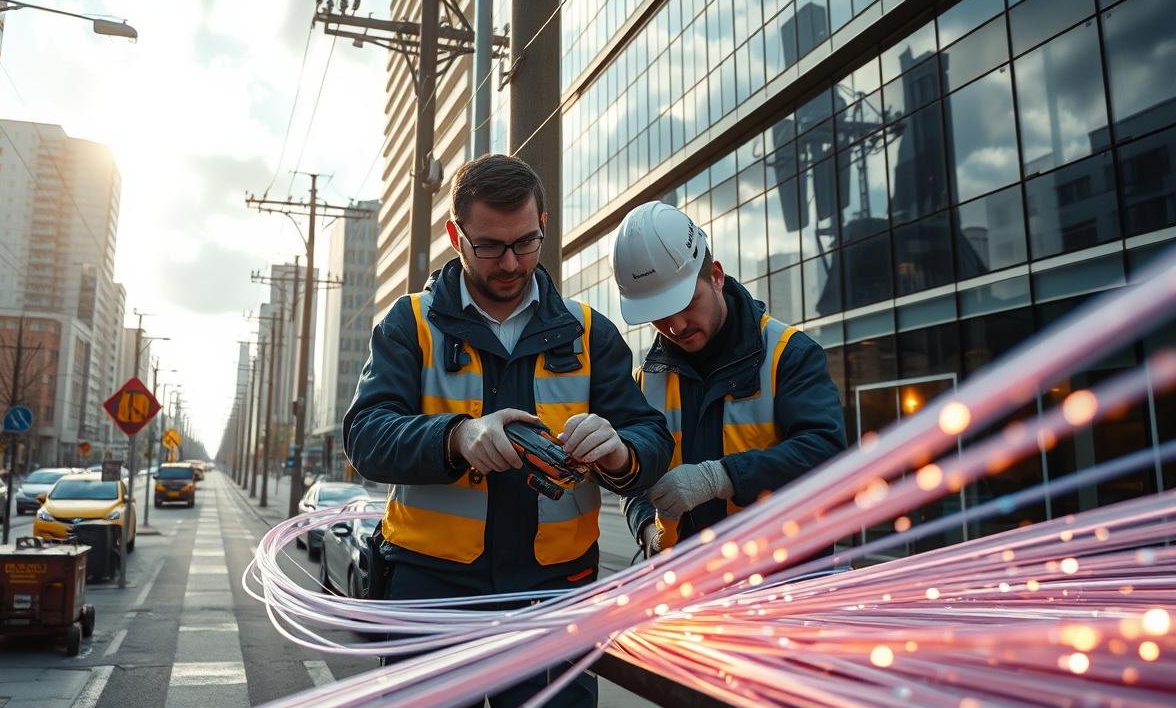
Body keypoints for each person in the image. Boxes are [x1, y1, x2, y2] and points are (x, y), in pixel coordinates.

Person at [344, 154, 673, 707]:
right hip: (434, 596)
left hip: (555, 597)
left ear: (544, 223)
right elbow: (365, 436)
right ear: (456, 235)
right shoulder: (410, 323)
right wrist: (457, 438)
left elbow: (652, 438)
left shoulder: (591, 334)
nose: (512, 263)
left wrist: (620, 452)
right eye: (490, 246)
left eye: (526, 242)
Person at [612, 201, 846, 557]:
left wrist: (722, 477)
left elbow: (826, 453)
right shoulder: (646, 380)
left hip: (782, 581)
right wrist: (647, 530)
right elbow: (633, 479)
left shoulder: (788, 354)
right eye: (659, 316)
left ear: (716, 276)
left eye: (687, 304)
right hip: (689, 587)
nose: (676, 326)